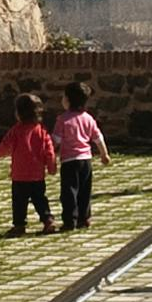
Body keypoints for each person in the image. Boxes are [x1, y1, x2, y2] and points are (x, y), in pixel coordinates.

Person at [0, 91, 60, 235]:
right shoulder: (41, 131)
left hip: (19, 175)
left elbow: (5, 146)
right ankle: (48, 220)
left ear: (18, 113)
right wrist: (51, 166)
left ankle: (19, 225)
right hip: (37, 174)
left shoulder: (16, 131)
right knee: (40, 199)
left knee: (19, 202)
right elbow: (49, 150)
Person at [51, 79, 110, 231]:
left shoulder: (62, 119)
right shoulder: (88, 118)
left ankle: (70, 220)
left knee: (69, 192)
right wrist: (104, 154)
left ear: (68, 100)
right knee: (85, 190)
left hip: (69, 161)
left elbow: (55, 141)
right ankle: (84, 218)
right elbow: (98, 137)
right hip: (86, 160)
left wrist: (49, 156)